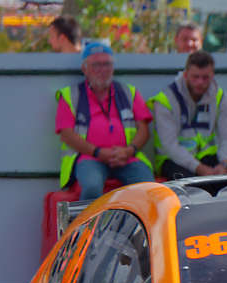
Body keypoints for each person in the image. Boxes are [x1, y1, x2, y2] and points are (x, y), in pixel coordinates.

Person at [55, 41, 154, 200]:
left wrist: (128, 151)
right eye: (96, 65)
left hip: (126, 157)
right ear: (84, 69)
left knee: (148, 187)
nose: (103, 70)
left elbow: (144, 129)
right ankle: (89, 218)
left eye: (107, 64)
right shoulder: (70, 94)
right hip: (90, 158)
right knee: (92, 187)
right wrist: (98, 152)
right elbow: (66, 134)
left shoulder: (129, 92)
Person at [148, 49, 227, 179]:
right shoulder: (165, 100)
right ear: (185, 75)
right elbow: (170, 146)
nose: (200, 82)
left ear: (212, 75)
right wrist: (199, 168)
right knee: (187, 182)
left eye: (205, 77)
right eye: (195, 77)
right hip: (173, 159)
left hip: (206, 157)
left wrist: (224, 164)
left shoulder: (220, 97)